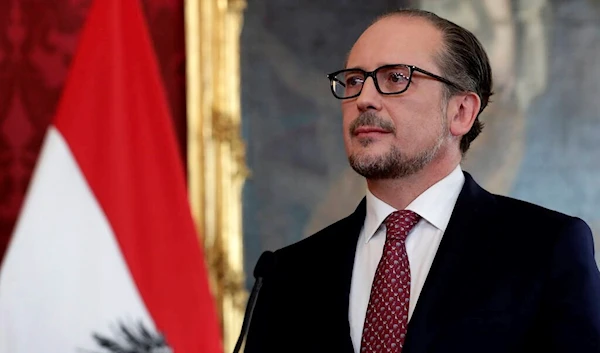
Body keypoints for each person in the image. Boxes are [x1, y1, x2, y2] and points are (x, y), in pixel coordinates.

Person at [244, 8, 600, 353]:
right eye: (354, 80)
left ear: (460, 112)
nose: (364, 99)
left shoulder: (545, 248)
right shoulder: (287, 274)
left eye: (396, 78)